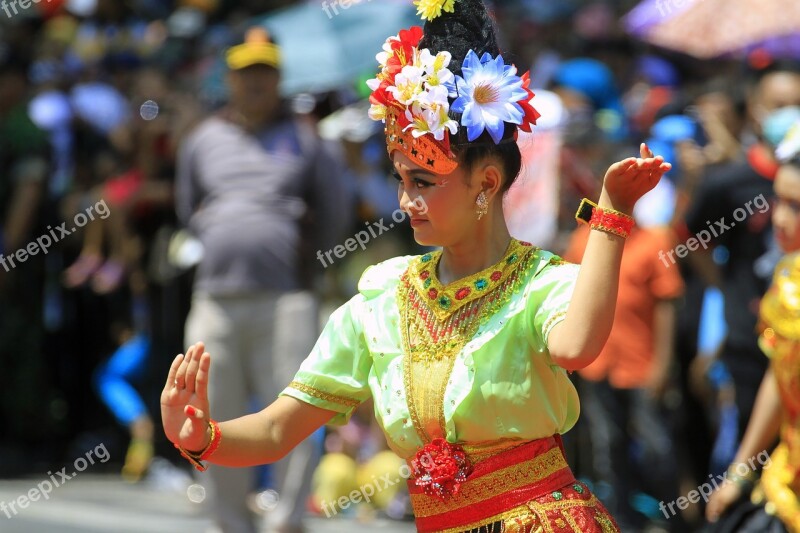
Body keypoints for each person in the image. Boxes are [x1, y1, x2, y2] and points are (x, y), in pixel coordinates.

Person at [162, 1, 670, 531]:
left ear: (486, 184)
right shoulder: (384, 298)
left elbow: (576, 347)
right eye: (401, 181)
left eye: (422, 183)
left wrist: (611, 215)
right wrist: (202, 436)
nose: (405, 201)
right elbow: (276, 431)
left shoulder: (540, 284)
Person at [175, 27, 351, 533]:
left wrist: (300, 257)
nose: (256, 81)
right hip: (216, 297)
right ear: (229, 78)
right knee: (212, 415)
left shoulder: (306, 139)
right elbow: (190, 212)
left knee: (296, 410)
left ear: (278, 78)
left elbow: (334, 213)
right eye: (247, 71)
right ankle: (231, 522)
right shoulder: (202, 140)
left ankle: (287, 520)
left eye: (265, 71)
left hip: (287, 297)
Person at [705, 124, 800, 533]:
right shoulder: (789, 283)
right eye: (779, 199)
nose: (778, 217)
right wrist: (739, 474)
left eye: (796, 205)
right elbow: (780, 376)